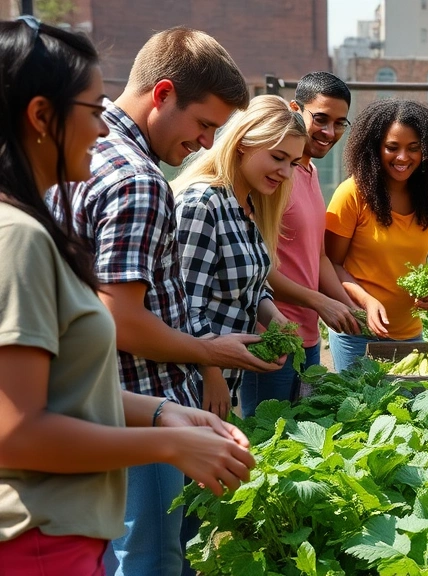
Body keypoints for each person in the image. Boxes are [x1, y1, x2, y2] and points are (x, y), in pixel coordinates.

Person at [0, 17, 255, 574]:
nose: (101, 129)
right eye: (93, 111)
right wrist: (165, 440)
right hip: (39, 533)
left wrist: (165, 416)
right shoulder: (25, 231)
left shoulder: (36, 210)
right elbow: (16, 431)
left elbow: (49, 392)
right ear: (42, 116)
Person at [62, 27, 280, 576]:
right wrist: (210, 353)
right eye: (204, 124)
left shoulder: (84, 154)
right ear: (162, 95)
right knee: (150, 559)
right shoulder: (138, 181)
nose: (207, 144)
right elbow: (122, 319)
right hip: (139, 408)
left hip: (93, 404)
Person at [172, 95, 305, 418]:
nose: (286, 172)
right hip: (189, 384)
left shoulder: (249, 205)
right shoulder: (203, 203)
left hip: (224, 379)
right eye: (278, 157)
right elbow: (185, 304)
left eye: (293, 163)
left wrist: (277, 320)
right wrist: (211, 371)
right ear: (243, 143)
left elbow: (252, 284)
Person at [238, 72, 359, 417]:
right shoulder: (271, 180)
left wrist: (347, 305)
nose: (329, 132)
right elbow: (259, 267)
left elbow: (316, 255)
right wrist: (320, 302)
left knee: (297, 440)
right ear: (295, 109)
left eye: (339, 123)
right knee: (267, 444)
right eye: (320, 119)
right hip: (270, 334)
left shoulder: (307, 172)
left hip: (307, 336)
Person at [325, 99, 428, 370]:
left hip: (410, 337)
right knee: (360, 410)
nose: (403, 157)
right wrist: (366, 301)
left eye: (413, 148)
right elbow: (331, 264)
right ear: (374, 148)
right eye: (392, 148)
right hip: (357, 333)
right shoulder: (352, 194)